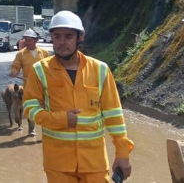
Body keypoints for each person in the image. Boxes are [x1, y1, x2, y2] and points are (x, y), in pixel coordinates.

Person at [23, 11, 133, 183]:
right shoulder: (39, 71)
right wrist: (60, 119)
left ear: (80, 38)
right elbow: (29, 108)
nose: (62, 42)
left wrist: (122, 153)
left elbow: (114, 115)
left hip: (94, 163)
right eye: (57, 36)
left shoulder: (100, 70)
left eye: (68, 36)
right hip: (58, 164)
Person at [10, 29, 50, 136]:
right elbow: (15, 66)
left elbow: (51, 67)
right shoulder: (21, 54)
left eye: (30, 40)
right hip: (29, 86)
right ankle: (31, 129)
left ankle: (46, 129)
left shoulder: (44, 53)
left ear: (36, 40)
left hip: (44, 85)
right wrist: (14, 71)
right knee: (32, 107)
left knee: (46, 107)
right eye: (26, 40)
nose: (28, 42)